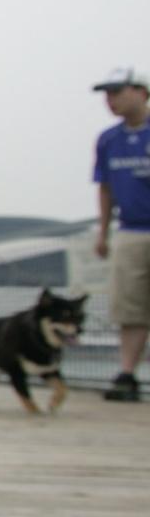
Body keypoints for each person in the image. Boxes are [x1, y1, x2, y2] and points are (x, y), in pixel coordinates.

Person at [92, 67, 150, 402]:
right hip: (129, 230)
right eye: (107, 95)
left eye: (117, 92)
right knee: (130, 307)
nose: (111, 100)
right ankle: (127, 373)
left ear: (140, 91)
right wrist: (103, 231)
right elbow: (104, 187)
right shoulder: (108, 140)